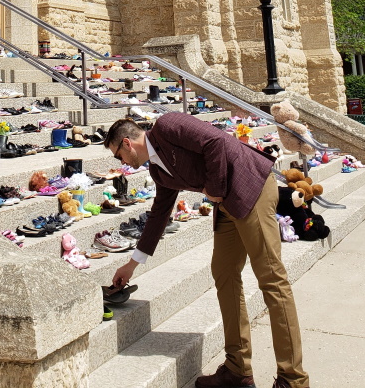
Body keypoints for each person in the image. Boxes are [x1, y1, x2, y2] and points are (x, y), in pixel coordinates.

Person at [106, 114, 310, 388]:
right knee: (224, 275)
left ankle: (293, 379)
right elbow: (159, 214)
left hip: (251, 188)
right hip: (226, 203)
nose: (121, 162)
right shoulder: (157, 170)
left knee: (272, 279)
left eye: (118, 155)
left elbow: (216, 142)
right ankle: (238, 370)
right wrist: (132, 264)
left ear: (127, 143)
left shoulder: (167, 126)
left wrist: (213, 188)